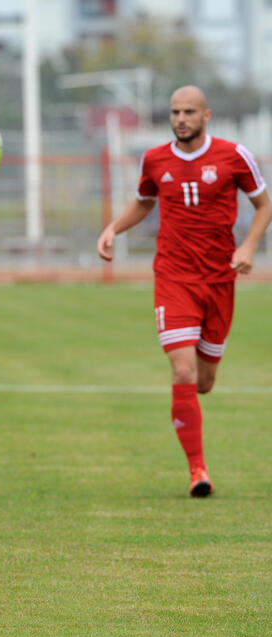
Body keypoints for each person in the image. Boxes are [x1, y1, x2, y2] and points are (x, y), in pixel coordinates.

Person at [97, 85, 271, 497]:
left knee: (204, 382)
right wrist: (113, 229)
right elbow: (144, 202)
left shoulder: (234, 156)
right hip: (173, 278)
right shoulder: (155, 159)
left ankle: (195, 440)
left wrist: (248, 247)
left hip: (219, 280)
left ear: (205, 116)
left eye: (189, 112)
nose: (180, 119)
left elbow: (264, 205)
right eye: (175, 112)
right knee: (182, 371)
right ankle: (198, 471)